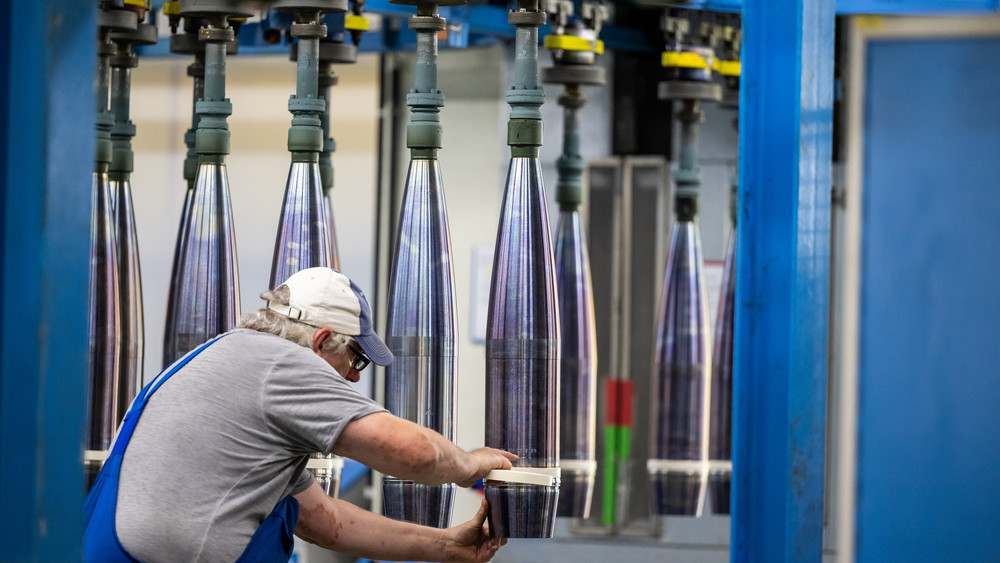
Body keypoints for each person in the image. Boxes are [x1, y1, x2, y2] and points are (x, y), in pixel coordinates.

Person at [83, 267, 515, 562]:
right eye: (356, 360)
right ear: (323, 340)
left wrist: (444, 546)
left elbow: (321, 520)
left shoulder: (223, 358)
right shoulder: (282, 365)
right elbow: (414, 452)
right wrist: (471, 464)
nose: (353, 380)